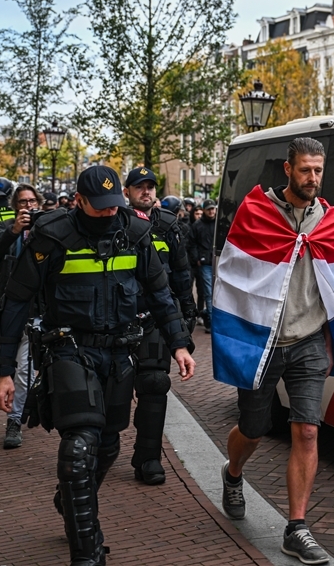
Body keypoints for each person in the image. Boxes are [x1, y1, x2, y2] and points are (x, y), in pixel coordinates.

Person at [0, 166, 196, 566]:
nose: (108, 213)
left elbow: (160, 292)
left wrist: (179, 344)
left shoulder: (136, 234)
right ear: (79, 200)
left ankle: (70, 498)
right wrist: (3, 371)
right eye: (99, 206)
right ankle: (87, 554)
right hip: (70, 351)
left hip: (118, 354)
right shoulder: (52, 237)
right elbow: (14, 302)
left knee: (107, 444)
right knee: (79, 447)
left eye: (113, 205)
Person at [216, 137, 334, 566]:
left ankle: (296, 528)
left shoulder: (327, 219)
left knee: (307, 430)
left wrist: (329, 335)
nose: (313, 178)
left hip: (308, 339)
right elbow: (231, 274)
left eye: (319, 171)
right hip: (262, 341)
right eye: (305, 170)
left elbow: (330, 281)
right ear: (288, 169)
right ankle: (233, 473)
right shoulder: (257, 212)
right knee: (253, 429)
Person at [123, 168, 197, 485]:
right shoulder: (113, 222)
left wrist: (187, 313)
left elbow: (181, 272)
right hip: (118, 320)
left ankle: (149, 457)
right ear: (126, 192)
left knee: (154, 383)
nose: (146, 191)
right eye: (139, 187)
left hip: (156, 317)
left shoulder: (168, 224)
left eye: (151, 187)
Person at [0, 184, 41, 449]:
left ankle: (20, 414)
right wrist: (15, 230)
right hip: (12, 306)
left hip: (39, 307)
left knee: (28, 368)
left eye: (32, 201)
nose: (28, 206)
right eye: (22, 202)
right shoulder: (8, 228)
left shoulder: (46, 226)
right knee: (13, 365)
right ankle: (15, 418)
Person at [191, 198, 217, 332]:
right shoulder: (197, 225)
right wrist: (197, 258)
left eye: (213, 209)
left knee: (218, 293)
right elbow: (192, 243)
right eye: (209, 209)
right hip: (205, 263)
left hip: (218, 262)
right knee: (209, 293)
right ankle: (212, 323)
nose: (211, 211)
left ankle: (210, 318)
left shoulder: (219, 223)